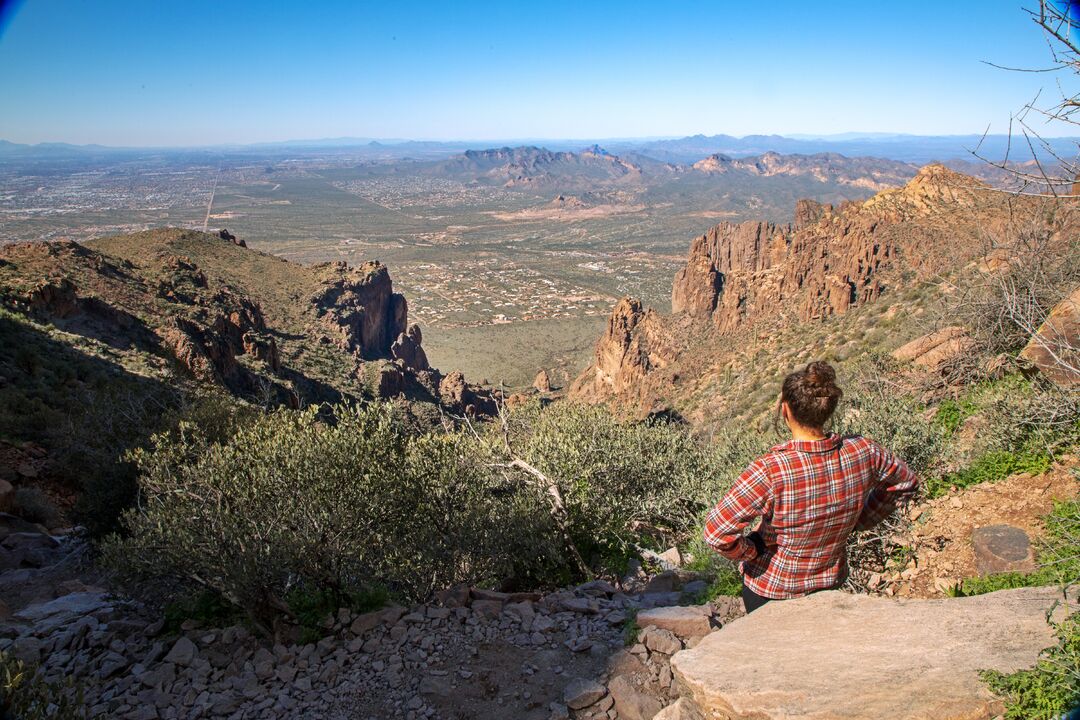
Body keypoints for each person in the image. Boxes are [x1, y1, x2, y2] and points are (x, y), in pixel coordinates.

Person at [703, 361, 918, 614]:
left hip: (773, 589)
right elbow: (906, 482)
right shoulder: (864, 451)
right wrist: (861, 520)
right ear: (828, 409)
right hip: (829, 584)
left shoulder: (772, 470)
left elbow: (716, 533)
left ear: (786, 410)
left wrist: (752, 550)